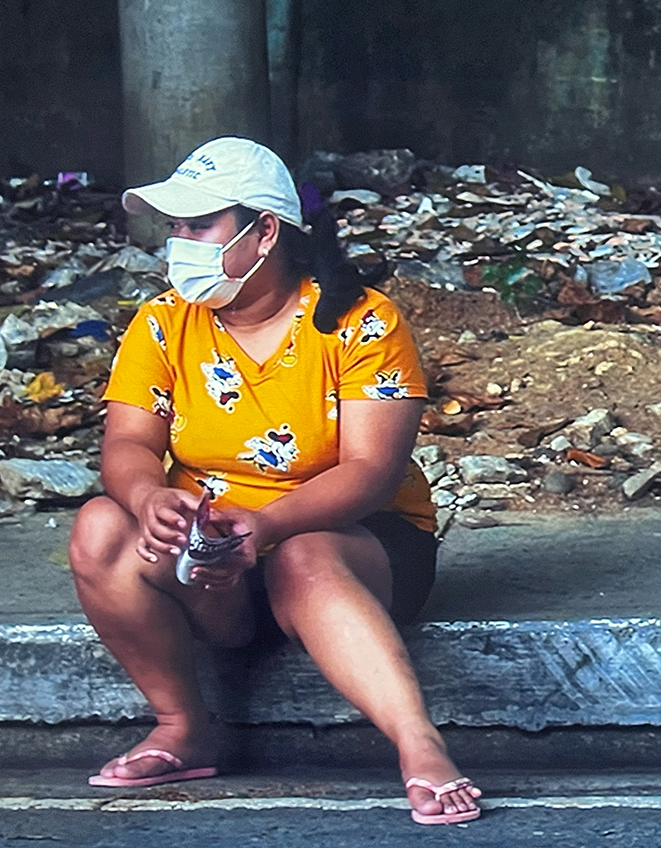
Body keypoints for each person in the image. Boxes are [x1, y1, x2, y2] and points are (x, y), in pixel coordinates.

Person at [68, 137, 481, 825]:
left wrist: (264, 527)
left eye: (200, 225)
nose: (180, 243)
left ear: (264, 231)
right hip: (213, 551)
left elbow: (371, 470)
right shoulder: (163, 324)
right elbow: (129, 443)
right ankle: (182, 727)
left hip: (353, 548)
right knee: (99, 527)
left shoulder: (360, 322)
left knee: (302, 556)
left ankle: (420, 744)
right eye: (175, 226)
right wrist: (150, 498)